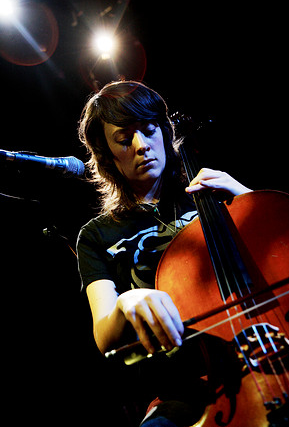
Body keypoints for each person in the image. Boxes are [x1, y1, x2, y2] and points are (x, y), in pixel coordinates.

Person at [76, 80, 253, 427]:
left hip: (263, 349)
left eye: (149, 129)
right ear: (106, 153)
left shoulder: (209, 192)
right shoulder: (96, 236)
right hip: (183, 391)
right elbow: (104, 335)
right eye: (124, 139)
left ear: (164, 131)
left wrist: (249, 200)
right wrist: (126, 303)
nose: (141, 146)